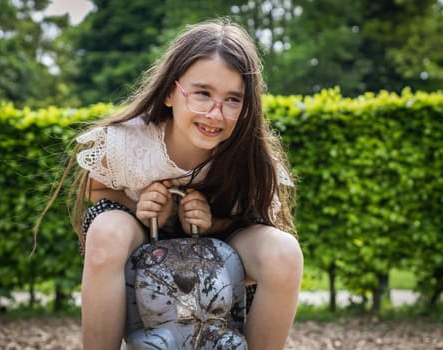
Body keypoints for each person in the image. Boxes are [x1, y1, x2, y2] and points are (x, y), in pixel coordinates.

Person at [39, 18, 303, 350]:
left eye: (233, 100)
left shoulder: (250, 154)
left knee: (285, 253)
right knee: (106, 233)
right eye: (202, 94)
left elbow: (253, 221)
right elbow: (96, 189)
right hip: (140, 232)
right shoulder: (131, 142)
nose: (215, 114)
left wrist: (213, 222)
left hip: (223, 237)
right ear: (169, 92)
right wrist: (144, 210)